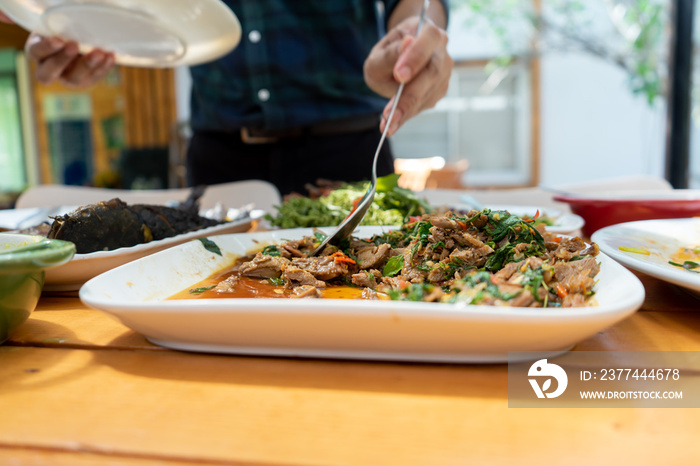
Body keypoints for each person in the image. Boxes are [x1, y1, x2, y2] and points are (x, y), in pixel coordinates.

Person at [1, 1, 452, 195]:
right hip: (219, 158)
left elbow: (418, 5)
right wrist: (79, 33)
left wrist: (413, 34)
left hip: (350, 152)